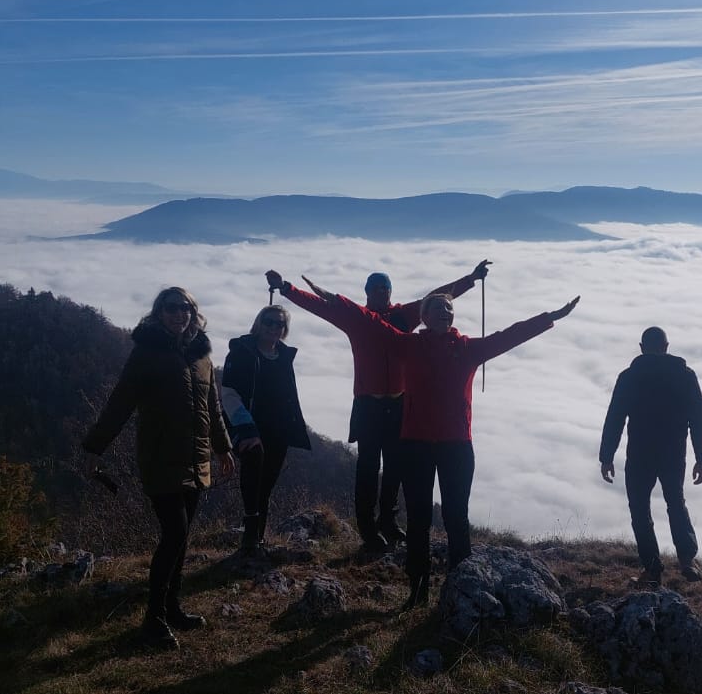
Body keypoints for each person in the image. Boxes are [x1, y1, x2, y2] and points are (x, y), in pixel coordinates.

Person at [266, 261, 490, 552]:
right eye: (375, 289)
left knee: (395, 467)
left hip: (399, 404)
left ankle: (388, 521)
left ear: (389, 292)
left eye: (384, 288)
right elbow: (320, 306)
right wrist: (286, 288)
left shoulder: (404, 315)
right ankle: (368, 528)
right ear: (367, 293)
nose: (380, 292)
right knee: (368, 467)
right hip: (368, 406)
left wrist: (470, 279)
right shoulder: (357, 319)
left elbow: (437, 299)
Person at [82, 287, 237, 649]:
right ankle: (153, 619)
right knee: (173, 535)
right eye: (171, 308)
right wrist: (94, 447)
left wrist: (223, 448)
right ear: (159, 312)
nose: (178, 314)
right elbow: (120, 402)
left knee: (181, 539)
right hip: (160, 459)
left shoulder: (202, 355)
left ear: (193, 313)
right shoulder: (145, 354)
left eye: (184, 308)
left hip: (196, 460)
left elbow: (213, 408)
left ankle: (172, 607)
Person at [599, 326, 702, 588]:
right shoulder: (685, 376)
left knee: (639, 510)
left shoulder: (629, 377)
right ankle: (687, 560)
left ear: (641, 347)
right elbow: (698, 418)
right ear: (666, 346)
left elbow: (615, 417)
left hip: (640, 453)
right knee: (676, 502)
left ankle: (652, 568)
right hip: (673, 453)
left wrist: (606, 456)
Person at [220, 304, 311, 557]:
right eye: (269, 322)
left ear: (285, 329)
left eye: (279, 324)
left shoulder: (283, 356)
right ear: (259, 323)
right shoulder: (241, 352)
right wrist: (246, 427)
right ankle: (250, 532)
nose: (273, 327)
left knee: (267, 483)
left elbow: (288, 395)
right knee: (253, 463)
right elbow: (228, 394)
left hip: (278, 429)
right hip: (246, 425)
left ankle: (257, 537)